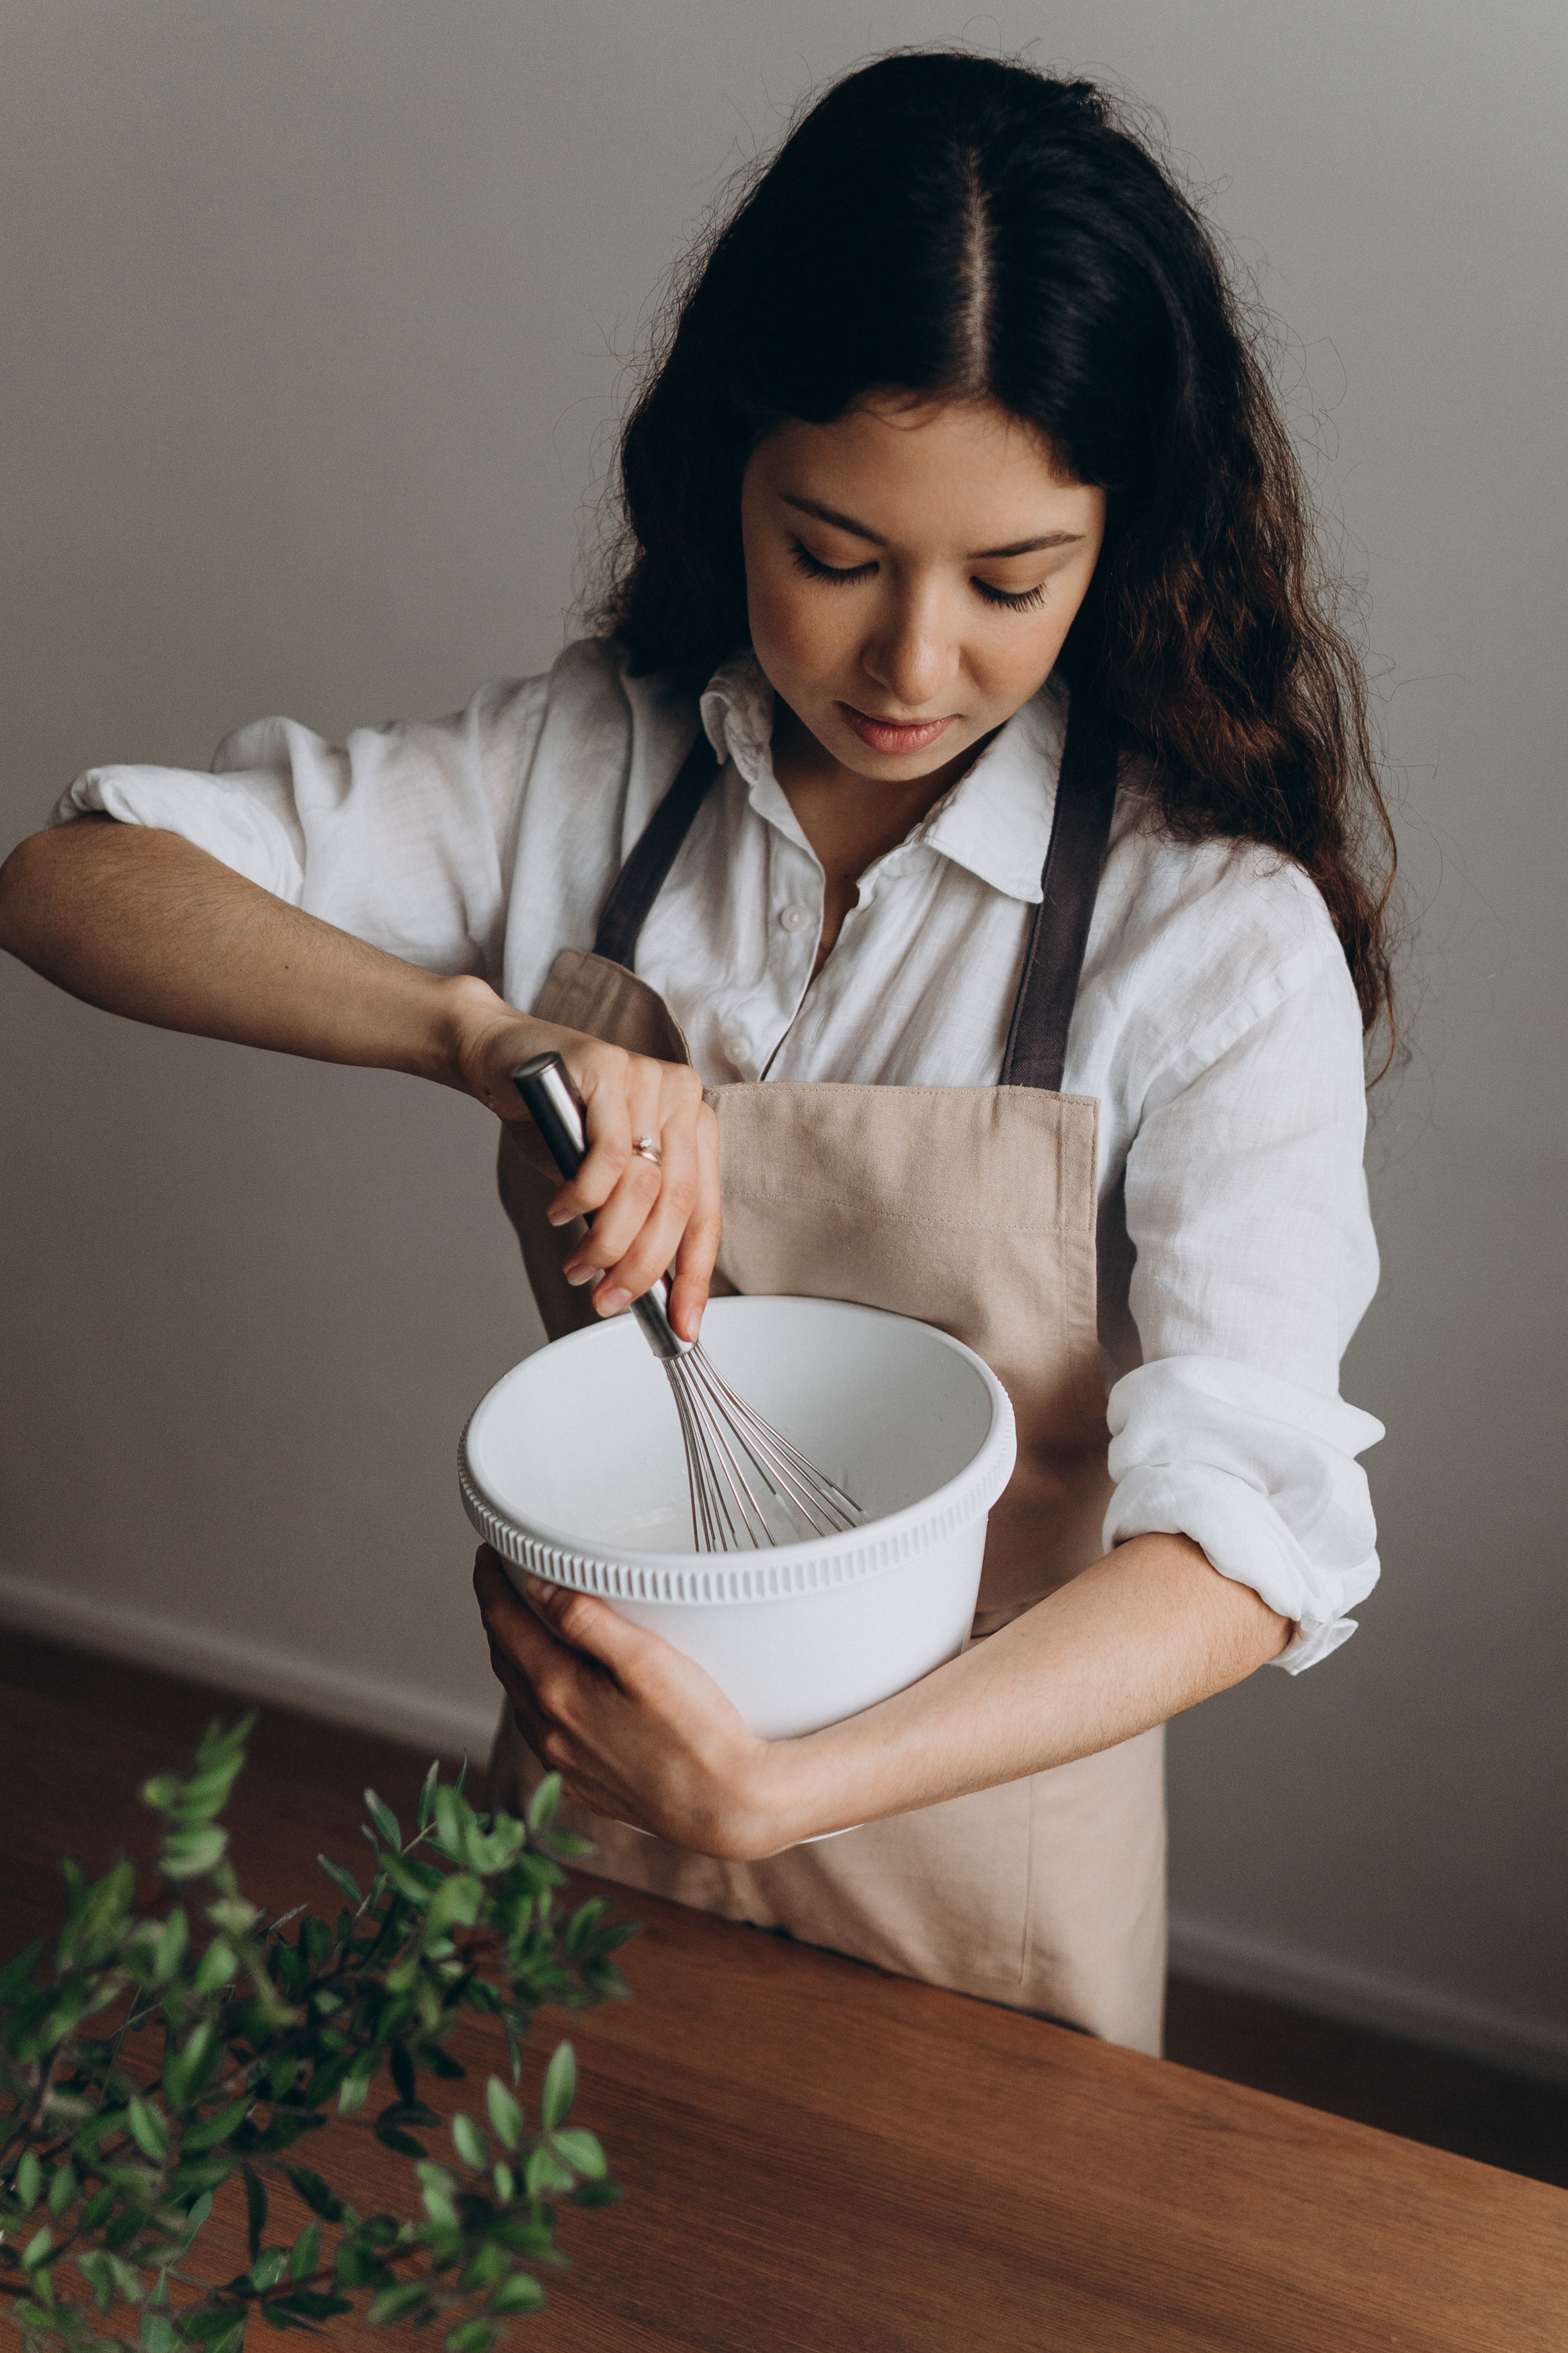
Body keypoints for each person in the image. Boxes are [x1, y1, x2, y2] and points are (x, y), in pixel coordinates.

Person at [0, 53, 1391, 2056]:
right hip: (579, 1803)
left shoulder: (1215, 939)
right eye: (834, 554)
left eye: (1012, 582)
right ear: (729, 469)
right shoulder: (588, 769)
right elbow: (72, 878)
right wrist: (470, 1028)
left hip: (985, 1868)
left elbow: (1242, 1546)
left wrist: (781, 1788)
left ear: (1127, 541)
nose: (914, 664)